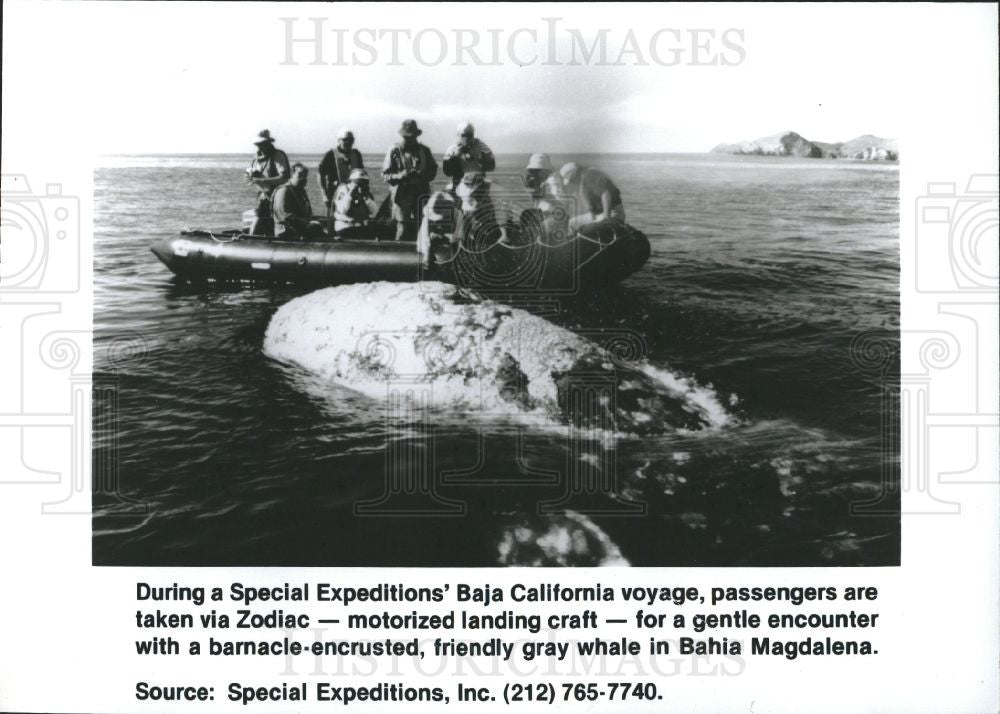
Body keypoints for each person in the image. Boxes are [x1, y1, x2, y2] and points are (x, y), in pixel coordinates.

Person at [382, 119, 438, 241]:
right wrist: (400, 176)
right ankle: (398, 252)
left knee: (424, 224)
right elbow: (385, 175)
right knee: (402, 226)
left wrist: (422, 175)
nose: (409, 139)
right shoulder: (395, 150)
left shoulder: (425, 151)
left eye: (411, 137)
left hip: (421, 191)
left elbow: (433, 169)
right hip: (402, 193)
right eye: (406, 137)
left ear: (416, 135)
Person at [244, 129, 290, 236]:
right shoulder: (256, 159)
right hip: (263, 197)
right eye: (258, 144)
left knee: (264, 225)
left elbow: (284, 177)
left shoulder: (277, 155)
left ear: (268, 143)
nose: (260, 147)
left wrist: (261, 180)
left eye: (263, 144)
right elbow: (253, 173)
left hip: (276, 197)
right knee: (262, 224)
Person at [558, 161, 626, 234]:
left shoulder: (590, 175)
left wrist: (606, 218)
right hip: (599, 214)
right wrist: (593, 215)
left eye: (571, 179)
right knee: (572, 223)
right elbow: (591, 203)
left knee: (583, 230)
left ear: (574, 173)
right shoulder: (584, 179)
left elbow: (605, 194)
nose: (572, 182)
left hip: (612, 213)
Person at [318, 128, 365, 224]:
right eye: (345, 140)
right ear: (339, 140)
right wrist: (324, 194)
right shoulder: (330, 155)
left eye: (351, 140)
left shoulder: (356, 154)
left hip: (353, 193)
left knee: (354, 218)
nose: (348, 142)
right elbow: (320, 174)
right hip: (335, 193)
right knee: (333, 219)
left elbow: (362, 174)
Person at [271, 164, 325, 240]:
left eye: (305, 176)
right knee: (316, 228)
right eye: (300, 175)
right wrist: (307, 222)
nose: (303, 179)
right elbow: (285, 217)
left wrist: (316, 220)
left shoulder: (300, 191)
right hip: (286, 233)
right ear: (291, 176)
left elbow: (306, 214)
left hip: (298, 229)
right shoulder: (284, 191)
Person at [416, 190, 462, 269]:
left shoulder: (458, 215)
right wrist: (426, 256)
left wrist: (448, 237)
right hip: (431, 245)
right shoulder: (427, 217)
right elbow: (424, 237)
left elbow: (459, 236)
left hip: (450, 247)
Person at [442, 122, 495, 190]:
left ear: (473, 135)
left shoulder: (481, 146)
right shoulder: (451, 150)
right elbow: (447, 172)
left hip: (478, 187)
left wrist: (482, 160)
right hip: (459, 187)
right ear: (458, 135)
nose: (467, 138)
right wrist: (454, 158)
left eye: (469, 135)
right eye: (464, 135)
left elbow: (492, 166)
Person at [332, 168, 380, 239]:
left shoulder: (366, 193)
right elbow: (342, 210)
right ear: (351, 181)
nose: (359, 186)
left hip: (361, 227)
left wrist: (366, 198)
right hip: (345, 227)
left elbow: (375, 212)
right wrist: (351, 194)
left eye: (363, 183)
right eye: (357, 183)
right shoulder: (343, 190)